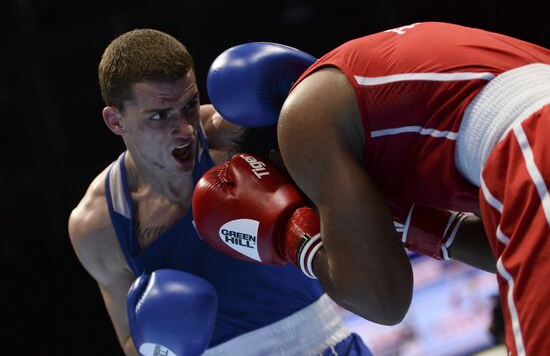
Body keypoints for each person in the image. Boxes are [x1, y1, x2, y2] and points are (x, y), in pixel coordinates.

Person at [196, 22, 550, 356]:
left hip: (533, 141)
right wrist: (416, 223)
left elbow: (383, 299)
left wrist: (294, 234)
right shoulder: (379, 102)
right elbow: (507, 245)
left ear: (279, 158)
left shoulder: (302, 119)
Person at [68, 28, 373, 356]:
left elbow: (356, 127)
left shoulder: (239, 134)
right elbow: (132, 344)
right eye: (160, 116)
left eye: (189, 104)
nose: (185, 129)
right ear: (116, 121)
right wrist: (161, 339)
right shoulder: (98, 224)